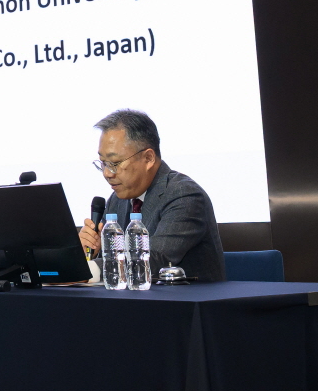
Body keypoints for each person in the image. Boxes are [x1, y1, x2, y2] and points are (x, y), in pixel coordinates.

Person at [76, 110, 226, 283]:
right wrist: (90, 250)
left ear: (148, 158)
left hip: (187, 299)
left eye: (114, 163)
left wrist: (87, 270)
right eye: (103, 163)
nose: (107, 173)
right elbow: (113, 259)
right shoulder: (117, 200)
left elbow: (155, 258)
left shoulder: (184, 195)